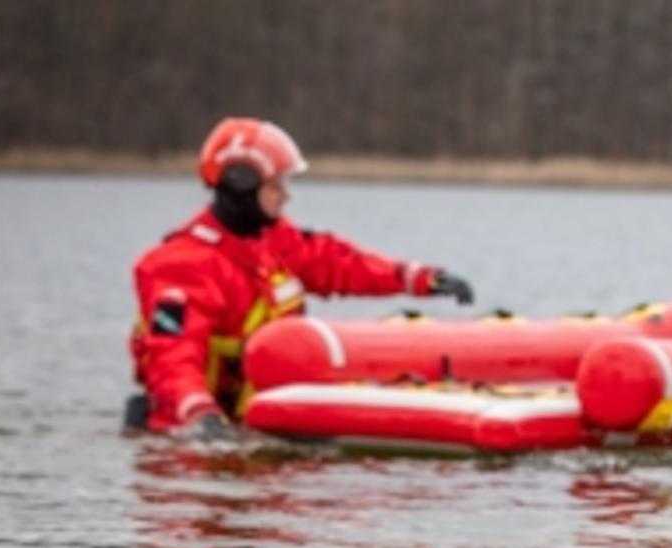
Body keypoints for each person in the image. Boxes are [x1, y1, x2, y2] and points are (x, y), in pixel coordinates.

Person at [126, 117, 475, 438]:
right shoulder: (183, 265)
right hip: (197, 434)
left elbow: (338, 264)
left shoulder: (272, 241)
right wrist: (199, 413)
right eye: (276, 185)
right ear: (242, 184)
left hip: (254, 420)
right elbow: (172, 355)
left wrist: (418, 279)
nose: (286, 195)